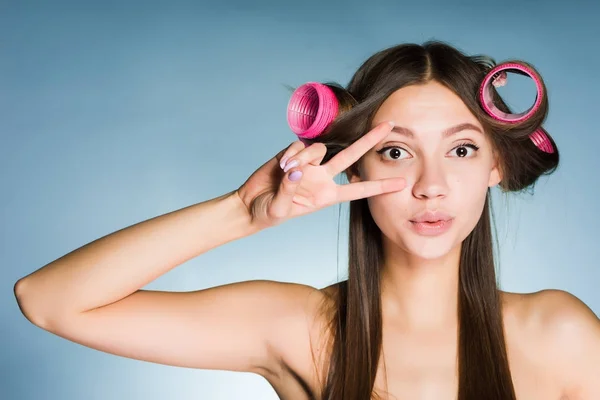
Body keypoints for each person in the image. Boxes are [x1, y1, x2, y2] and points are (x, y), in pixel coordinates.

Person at [13, 41, 600, 400]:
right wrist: (241, 213)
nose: (431, 185)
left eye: (462, 150)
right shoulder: (299, 328)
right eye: (396, 151)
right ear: (353, 167)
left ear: (496, 163)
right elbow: (49, 300)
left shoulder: (560, 335)